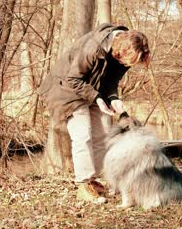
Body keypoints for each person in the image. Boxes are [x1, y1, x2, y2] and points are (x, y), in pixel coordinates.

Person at [39, 23, 150, 203]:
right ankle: (83, 184)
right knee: (82, 134)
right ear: (121, 49)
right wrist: (98, 98)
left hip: (91, 89)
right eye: (126, 61)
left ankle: (92, 179)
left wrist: (113, 98)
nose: (126, 65)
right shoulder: (93, 48)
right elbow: (73, 79)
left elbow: (111, 81)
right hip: (66, 90)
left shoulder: (126, 54)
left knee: (102, 134)